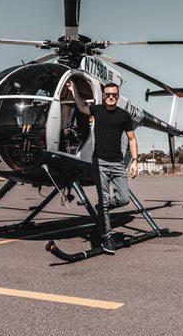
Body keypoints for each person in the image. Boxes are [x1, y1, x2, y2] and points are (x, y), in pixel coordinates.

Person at [67, 80, 138, 254]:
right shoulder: (97, 110)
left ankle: (101, 208)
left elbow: (132, 139)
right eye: (108, 95)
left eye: (114, 95)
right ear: (104, 96)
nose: (111, 97)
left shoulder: (124, 115)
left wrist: (135, 160)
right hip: (100, 163)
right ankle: (106, 237)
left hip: (118, 163)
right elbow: (82, 107)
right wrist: (74, 89)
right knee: (104, 200)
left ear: (118, 96)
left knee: (123, 199)